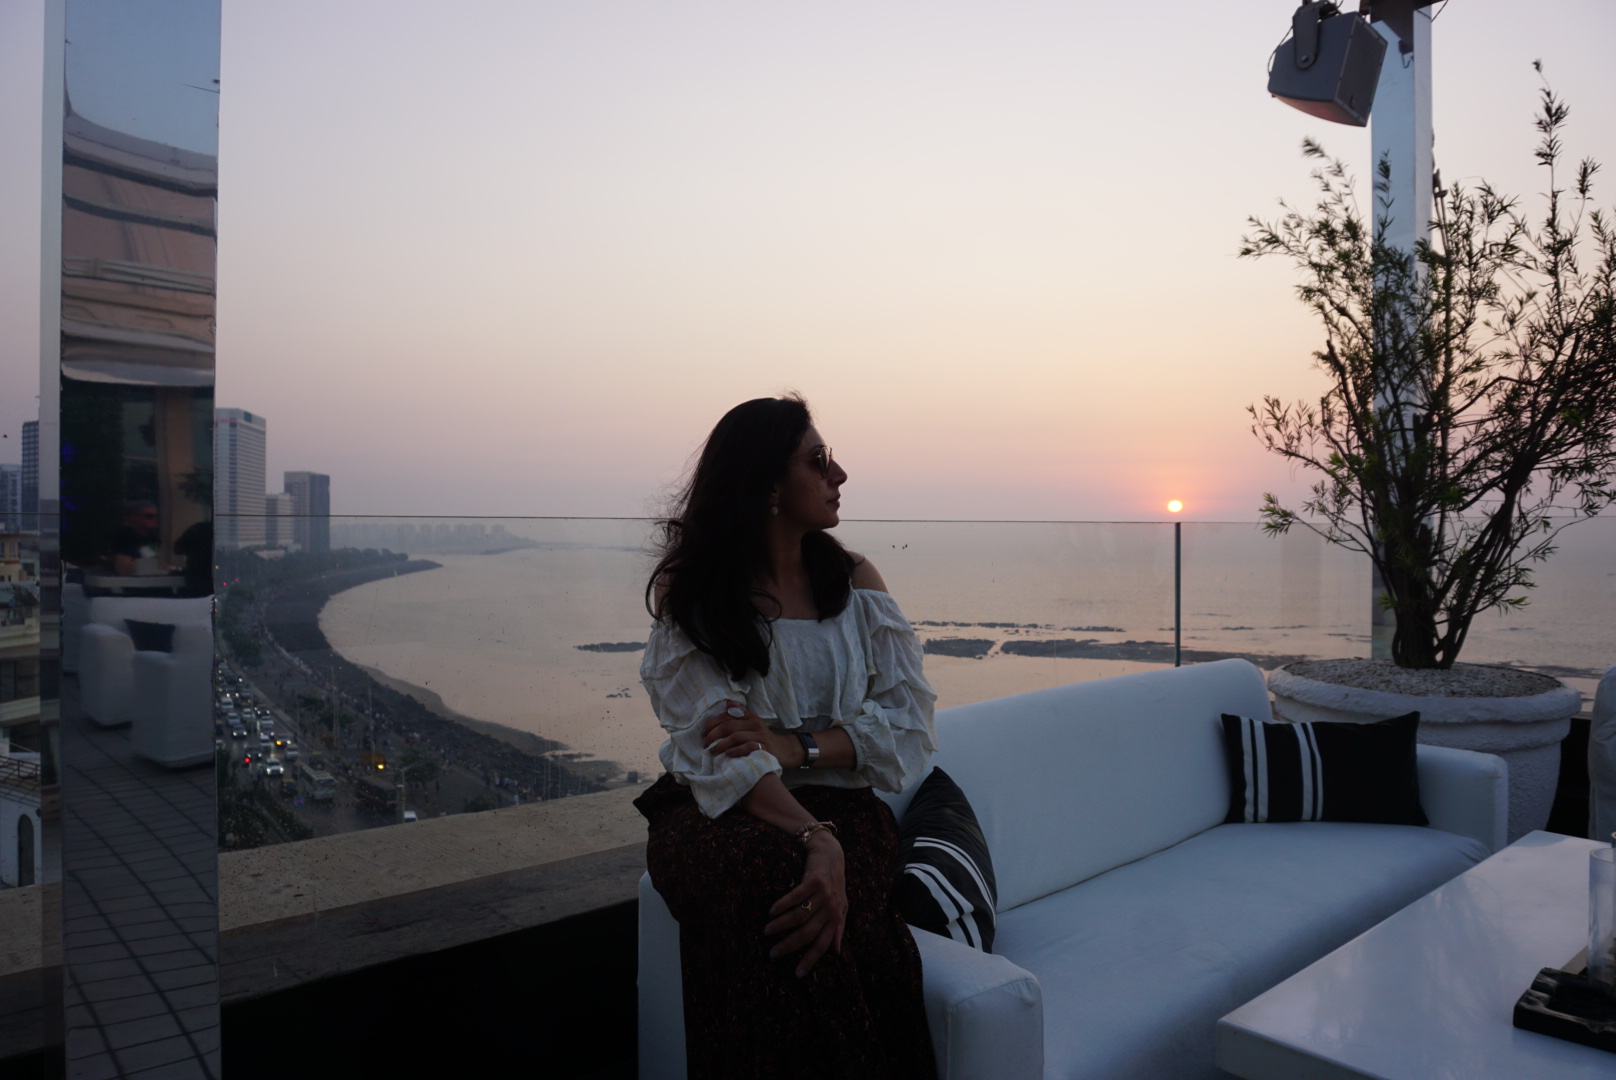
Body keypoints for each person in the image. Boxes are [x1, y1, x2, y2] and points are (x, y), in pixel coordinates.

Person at [634, 395, 938, 1080]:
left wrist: (794, 746)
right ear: (767, 484)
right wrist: (814, 837)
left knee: (807, 909)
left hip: (844, 808)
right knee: (775, 875)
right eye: (818, 460)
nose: (840, 475)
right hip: (721, 810)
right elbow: (722, 753)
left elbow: (908, 726)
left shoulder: (855, 583)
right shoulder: (698, 596)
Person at [109, 500, 162, 575]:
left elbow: (156, 561)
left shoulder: (151, 536)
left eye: (157, 516)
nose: (155, 519)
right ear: (133, 517)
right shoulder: (125, 536)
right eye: (149, 516)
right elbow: (123, 569)